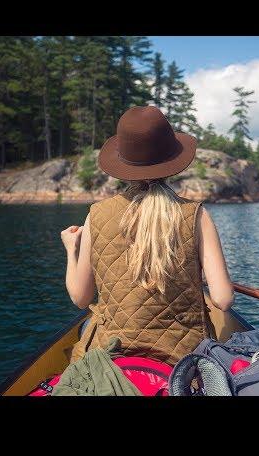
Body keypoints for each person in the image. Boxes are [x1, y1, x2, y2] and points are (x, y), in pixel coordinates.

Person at [60, 105, 234, 365]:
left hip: (110, 353)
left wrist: (71, 250)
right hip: (183, 359)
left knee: (85, 332)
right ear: (171, 160)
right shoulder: (196, 215)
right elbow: (222, 299)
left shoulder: (96, 214)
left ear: (123, 161)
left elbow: (81, 298)